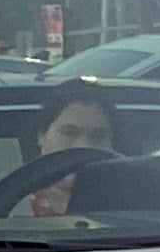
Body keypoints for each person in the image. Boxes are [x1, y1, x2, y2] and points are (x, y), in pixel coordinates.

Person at [18, 86, 119, 215]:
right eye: (69, 132)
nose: (84, 146)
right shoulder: (12, 203)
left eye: (98, 136)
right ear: (42, 135)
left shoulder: (130, 203)